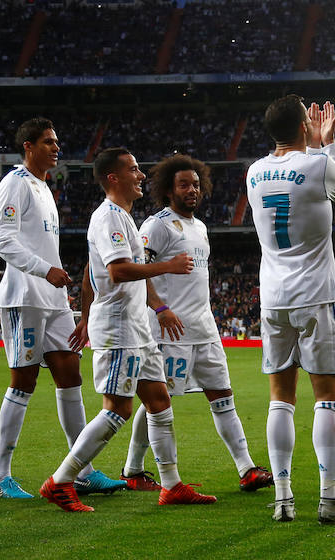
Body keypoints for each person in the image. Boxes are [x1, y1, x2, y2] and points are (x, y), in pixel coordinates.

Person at [41, 147, 216, 512]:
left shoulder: (123, 218)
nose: (142, 175)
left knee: (159, 401)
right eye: (134, 170)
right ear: (113, 177)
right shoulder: (108, 218)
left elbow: (93, 272)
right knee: (117, 409)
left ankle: (171, 485)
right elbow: (118, 271)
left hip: (137, 328)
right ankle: (60, 481)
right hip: (119, 329)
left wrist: (87, 315)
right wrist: (167, 266)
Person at [0, 117, 125, 500]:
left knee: (70, 374)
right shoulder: (15, 183)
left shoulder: (44, 188)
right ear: (28, 146)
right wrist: (43, 269)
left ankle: (82, 470)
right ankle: (0, 476)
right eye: (48, 141)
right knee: (24, 382)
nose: (56, 147)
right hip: (24, 296)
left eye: (56, 141)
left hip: (53, 299)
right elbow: (1, 238)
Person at [246, 95, 335, 524]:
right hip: (316, 295)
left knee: (280, 398)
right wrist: (326, 144)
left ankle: (282, 499)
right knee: (327, 397)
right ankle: (330, 500)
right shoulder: (316, 163)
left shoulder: (254, 171)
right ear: (304, 126)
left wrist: (310, 145)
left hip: (272, 298)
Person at [119, 154, 272, 492]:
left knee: (223, 397)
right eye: (184, 184)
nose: (192, 190)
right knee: (159, 400)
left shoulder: (200, 227)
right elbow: (136, 271)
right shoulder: (156, 225)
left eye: (196, 185)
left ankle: (246, 469)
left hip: (204, 328)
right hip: (169, 330)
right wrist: (159, 307)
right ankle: (132, 469)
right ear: (168, 189)